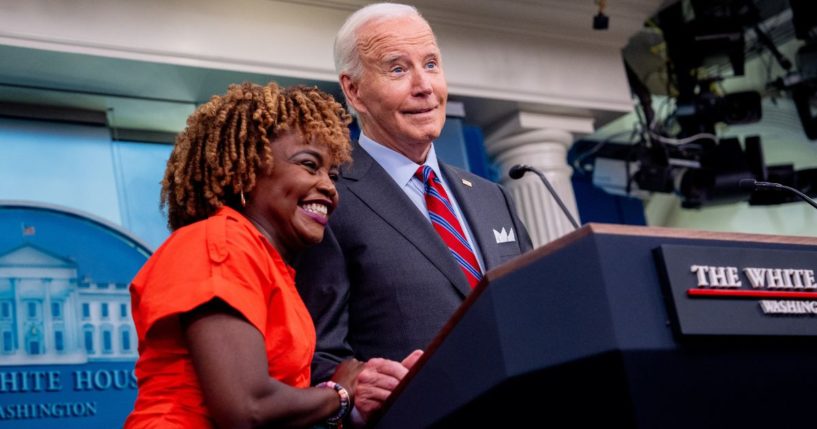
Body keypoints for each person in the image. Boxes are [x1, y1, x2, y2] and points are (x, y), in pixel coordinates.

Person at [294, 2, 533, 423]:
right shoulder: (329, 198)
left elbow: (536, 309)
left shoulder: (491, 196)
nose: (424, 85)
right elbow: (314, 353)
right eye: (398, 69)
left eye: (431, 64)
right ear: (353, 91)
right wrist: (353, 390)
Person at [124, 82, 364, 429]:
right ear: (246, 170)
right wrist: (340, 394)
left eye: (332, 175)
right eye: (309, 165)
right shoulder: (217, 242)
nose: (329, 186)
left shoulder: (265, 260)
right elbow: (247, 408)